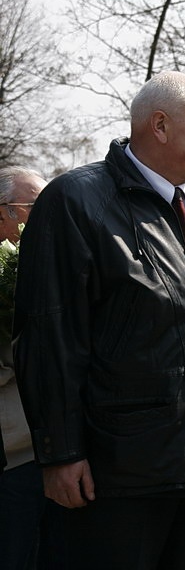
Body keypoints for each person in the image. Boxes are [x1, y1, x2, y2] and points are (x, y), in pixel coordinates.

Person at [13, 70, 185, 570]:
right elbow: (50, 337)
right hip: (115, 475)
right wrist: (60, 454)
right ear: (161, 126)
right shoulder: (75, 201)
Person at [0, 166, 65, 570]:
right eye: (32, 207)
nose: (43, 216)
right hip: (12, 451)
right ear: (2, 212)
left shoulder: (52, 267)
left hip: (51, 452)